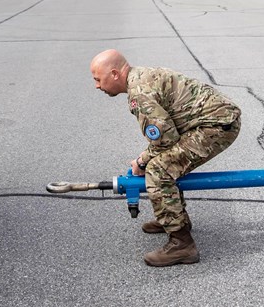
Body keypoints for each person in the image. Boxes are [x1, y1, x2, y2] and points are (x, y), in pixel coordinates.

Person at [90, 49, 240, 266]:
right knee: (162, 161)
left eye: (98, 79)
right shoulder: (140, 75)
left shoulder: (139, 94)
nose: (97, 86)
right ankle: (173, 218)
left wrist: (142, 161)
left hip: (217, 126)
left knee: (159, 169)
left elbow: (164, 140)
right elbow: (166, 133)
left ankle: (182, 244)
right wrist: (145, 157)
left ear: (114, 74)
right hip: (211, 120)